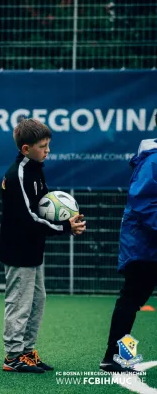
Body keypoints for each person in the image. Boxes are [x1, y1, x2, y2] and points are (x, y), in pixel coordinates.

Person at [0, 118, 85, 373]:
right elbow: (28, 218)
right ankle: (13, 356)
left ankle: (27, 353)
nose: (48, 151)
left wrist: (67, 219)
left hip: (33, 249)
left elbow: (45, 208)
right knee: (19, 303)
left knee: (37, 300)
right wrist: (66, 227)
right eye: (43, 146)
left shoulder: (37, 168)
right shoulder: (19, 174)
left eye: (48, 145)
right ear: (26, 149)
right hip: (18, 251)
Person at [100, 135, 157, 373]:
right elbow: (143, 202)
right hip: (144, 246)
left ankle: (114, 356)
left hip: (145, 244)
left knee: (132, 298)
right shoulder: (153, 159)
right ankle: (113, 357)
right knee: (132, 298)